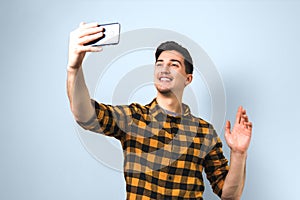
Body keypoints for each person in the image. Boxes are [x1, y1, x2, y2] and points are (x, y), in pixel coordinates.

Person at [67, 22, 253, 200]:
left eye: (174, 64)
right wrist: (74, 68)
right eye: (159, 63)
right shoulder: (133, 118)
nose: (164, 68)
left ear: (188, 79)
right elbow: (85, 115)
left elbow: (230, 195)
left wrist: (238, 153)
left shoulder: (204, 132)